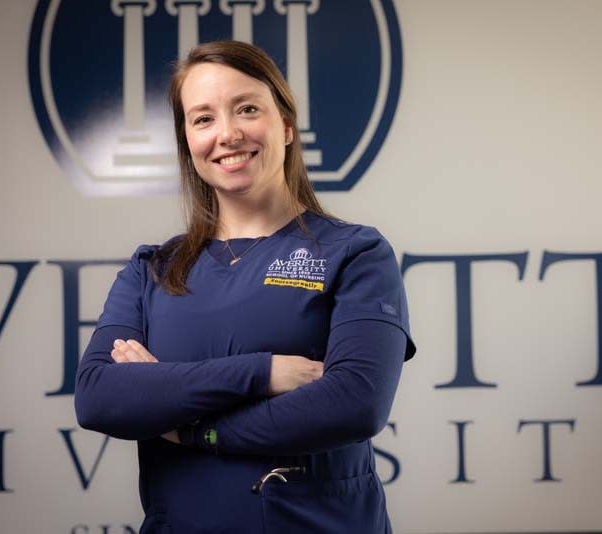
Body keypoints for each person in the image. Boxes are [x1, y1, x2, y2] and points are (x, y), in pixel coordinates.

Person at [75, 40, 416, 534]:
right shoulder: (153, 269)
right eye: (203, 119)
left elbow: (354, 403)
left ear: (286, 125)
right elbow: (99, 397)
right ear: (188, 142)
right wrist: (262, 373)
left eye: (247, 109)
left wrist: (186, 424)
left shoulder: (356, 253)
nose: (228, 134)